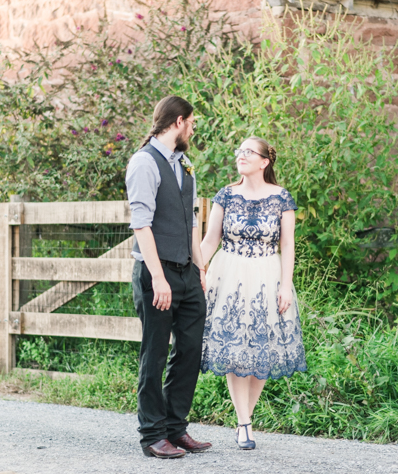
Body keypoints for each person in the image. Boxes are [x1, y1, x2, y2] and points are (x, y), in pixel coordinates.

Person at [199, 136, 307, 450]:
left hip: (266, 274)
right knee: (234, 349)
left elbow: (288, 245)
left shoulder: (281, 198)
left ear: (264, 161)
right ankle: (243, 422)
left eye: (248, 151)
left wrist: (286, 285)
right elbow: (210, 240)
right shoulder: (226, 195)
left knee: (262, 347)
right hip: (229, 273)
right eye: (239, 151)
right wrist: (197, 269)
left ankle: (247, 417)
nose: (241, 155)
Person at [125, 95, 212, 459]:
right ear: (177, 121)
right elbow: (141, 224)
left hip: (186, 273)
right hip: (155, 272)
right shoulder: (144, 163)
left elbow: (191, 220)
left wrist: (200, 270)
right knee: (155, 353)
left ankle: (176, 429)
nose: (192, 128)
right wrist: (158, 278)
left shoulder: (185, 164)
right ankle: (152, 435)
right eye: (191, 122)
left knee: (190, 350)